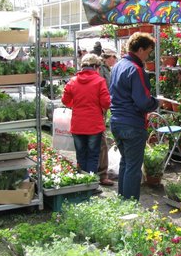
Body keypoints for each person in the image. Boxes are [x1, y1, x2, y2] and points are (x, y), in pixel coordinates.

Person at [110, 32, 159, 200]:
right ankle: (130, 206)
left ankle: (122, 202)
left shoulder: (117, 65)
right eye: (148, 52)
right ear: (139, 49)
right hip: (132, 123)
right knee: (133, 166)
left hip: (116, 121)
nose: (148, 56)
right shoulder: (136, 69)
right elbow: (143, 102)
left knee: (126, 163)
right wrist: (156, 102)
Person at [61, 53, 111, 174]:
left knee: (81, 155)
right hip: (94, 125)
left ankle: (82, 184)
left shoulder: (73, 81)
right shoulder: (100, 81)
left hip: (77, 125)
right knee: (93, 155)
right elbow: (106, 103)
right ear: (95, 67)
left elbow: (65, 101)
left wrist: (76, 104)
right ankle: (91, 183)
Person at [96, 47, 119, 186]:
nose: (115, 60)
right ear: (107, 58)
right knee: (101, 140)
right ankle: (102, 174)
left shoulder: (105, 68)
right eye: (113, 57)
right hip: (100, 107)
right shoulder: (102, 70)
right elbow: (104, 89)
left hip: (101, 107)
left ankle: (99, 172)